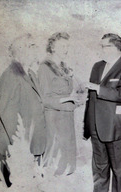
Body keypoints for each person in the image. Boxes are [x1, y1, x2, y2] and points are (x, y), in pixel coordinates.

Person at [84, 33, 121, 192]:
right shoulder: (97, 66)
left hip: (116, 129)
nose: (101, 50)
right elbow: (90, 98)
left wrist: (97, 88)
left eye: (104, 46)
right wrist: (88, 125)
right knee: (99, 171)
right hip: (96, 128)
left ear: (115, 47)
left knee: (119, 172)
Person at [0, 33, 47, 186]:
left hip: (33, 142)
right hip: (20, 145)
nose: (35, 50)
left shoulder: (30, 73)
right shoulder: (10, 75)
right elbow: (7, 114)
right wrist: (14, 146)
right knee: (20, 187)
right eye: (31, 47)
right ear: (21, 50)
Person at [38, 32, 84, 176]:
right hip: (54, 118)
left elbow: (77, 89)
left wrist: (75, 97)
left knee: (67, 164)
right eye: (62, 46)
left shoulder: (64, 67)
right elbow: (44, 98)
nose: (66, 49)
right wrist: (66, 99)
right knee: (55, 162)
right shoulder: (44, 67)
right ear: (53, 47)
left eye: (67, 46)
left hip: (66, 116)